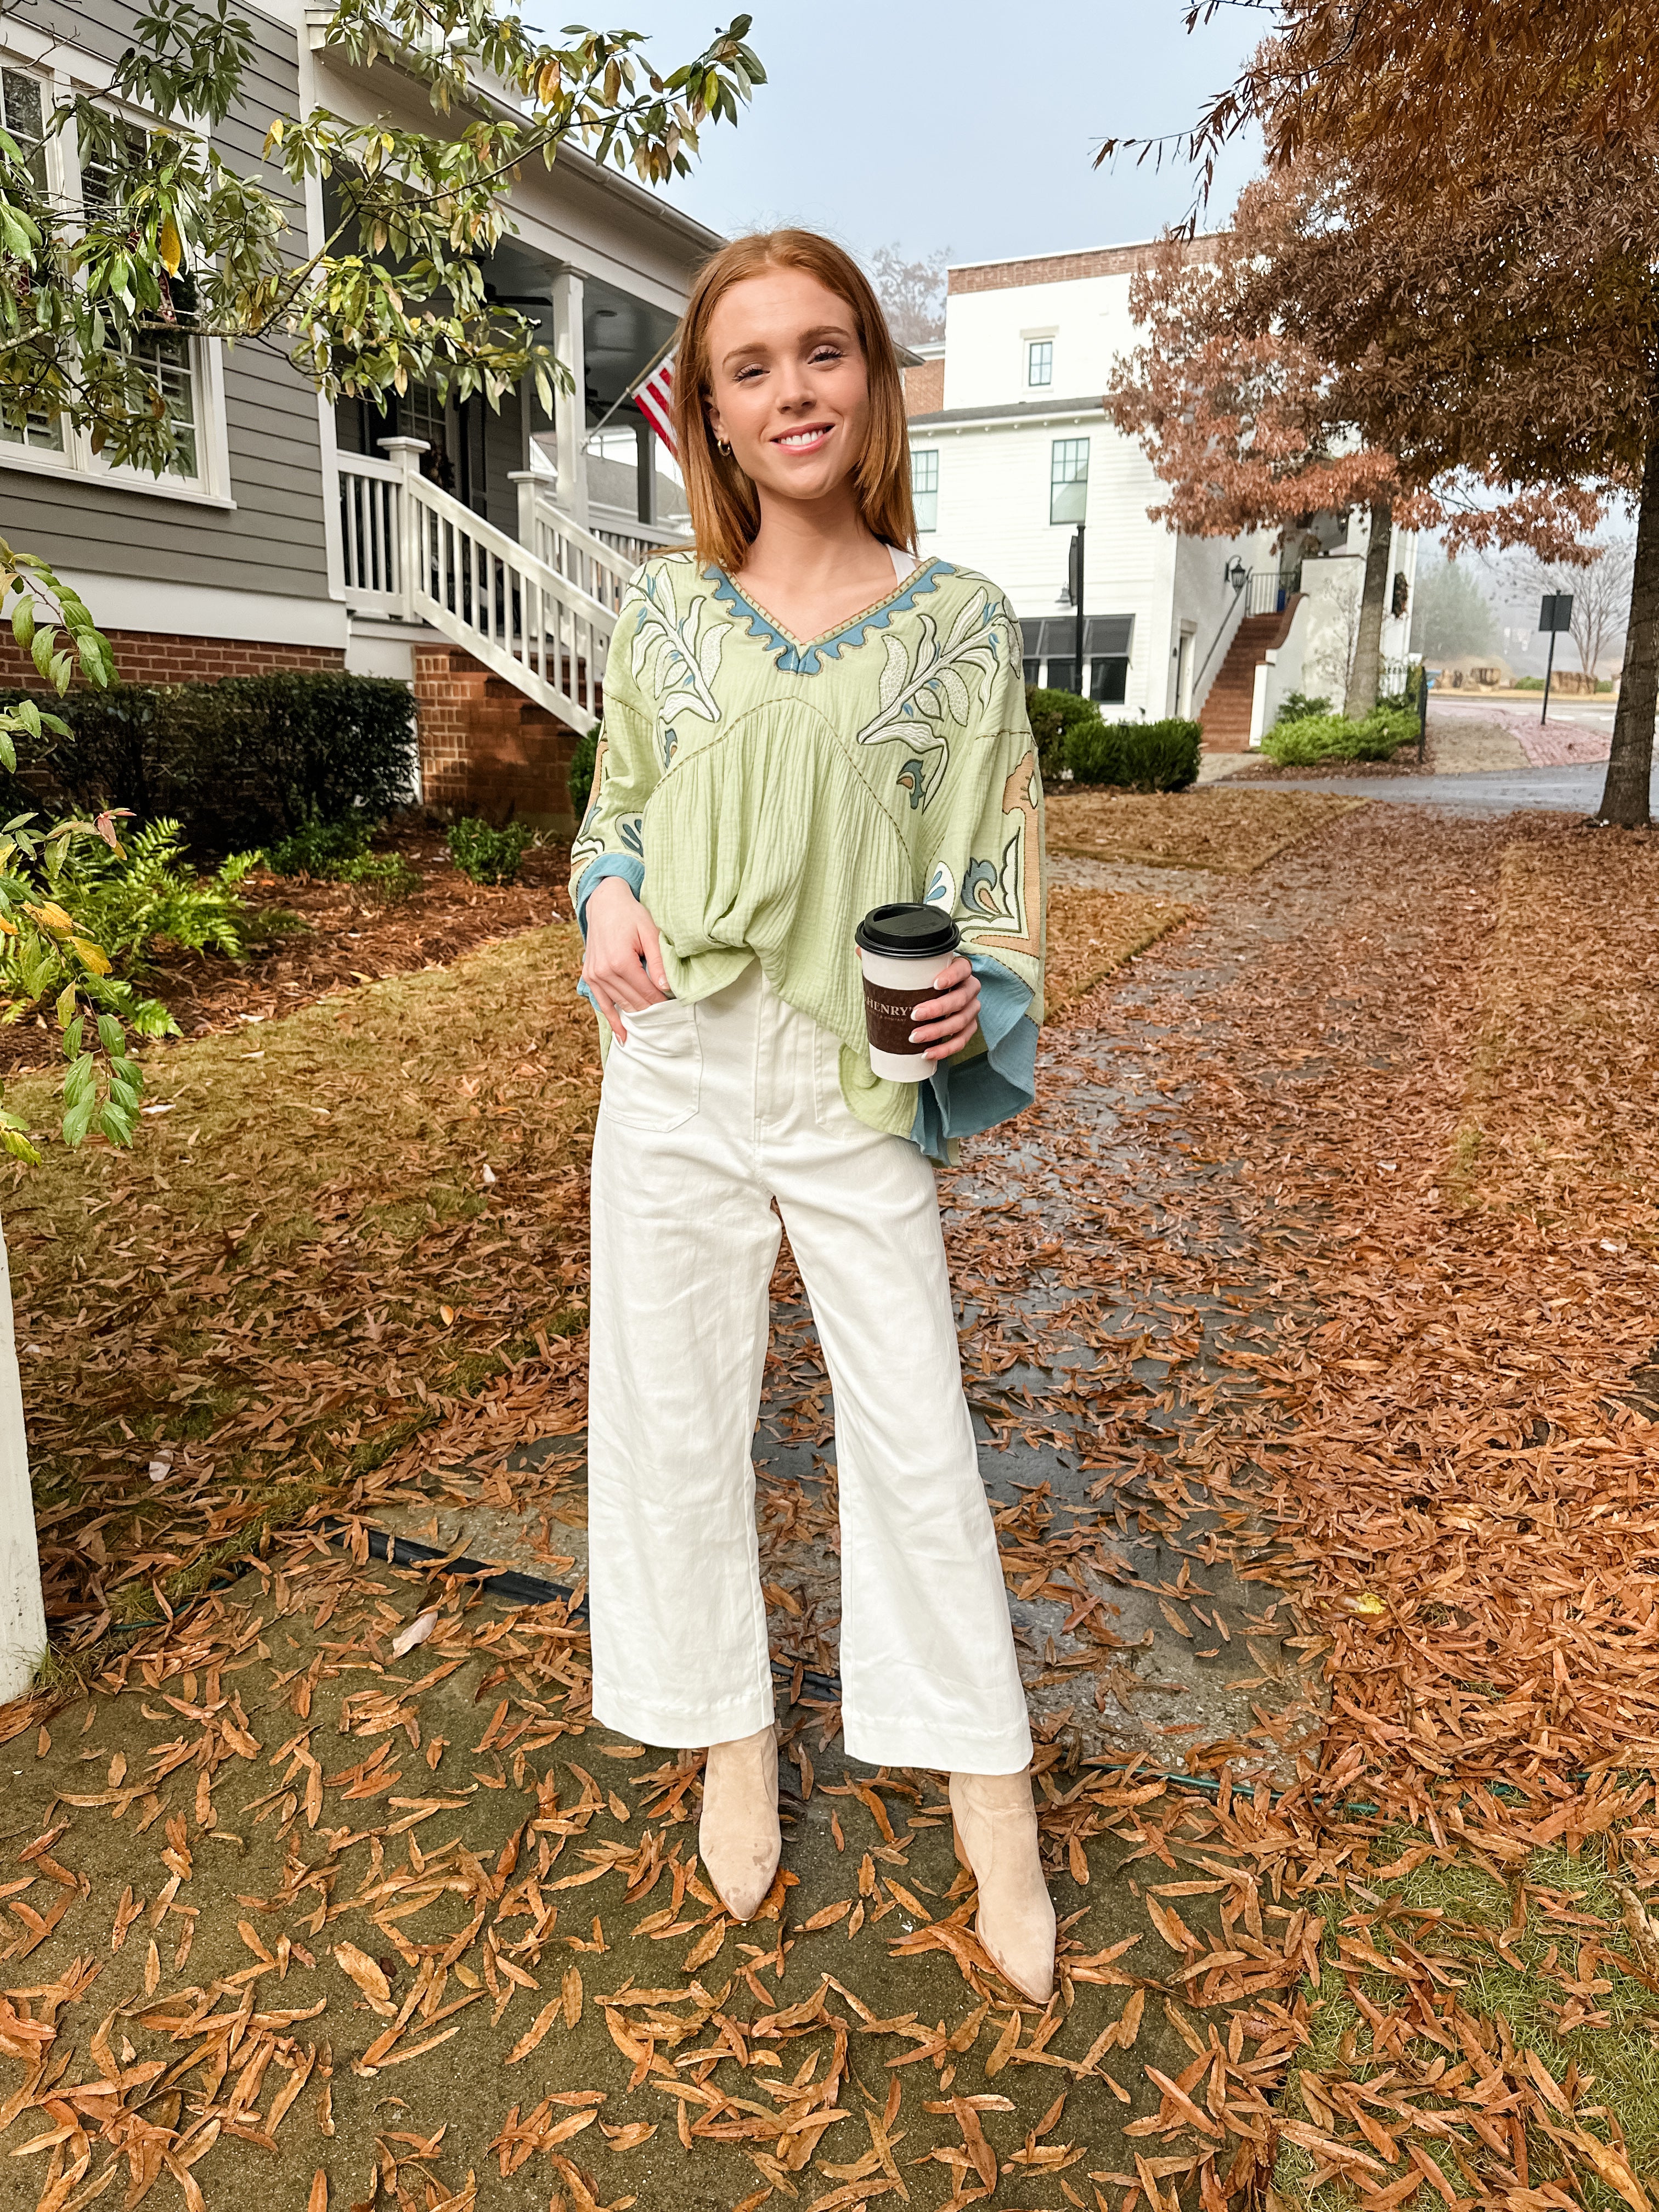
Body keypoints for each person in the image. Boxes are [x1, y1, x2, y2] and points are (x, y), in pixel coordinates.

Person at [569, 229, 1054, 2002]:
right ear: (706, 409)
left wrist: (968, 997)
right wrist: (605, 897)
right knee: (674, 1422)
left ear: (875, 383)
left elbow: (994, 881)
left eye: (825, 351)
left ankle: (987, 1791)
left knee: (913, 1428)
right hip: (678, 1070)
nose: (794, 390)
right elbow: (608, 818)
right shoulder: (660, 616)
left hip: (848, 1073)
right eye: (751, 366)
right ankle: (731, 1734)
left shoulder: (960, 624)